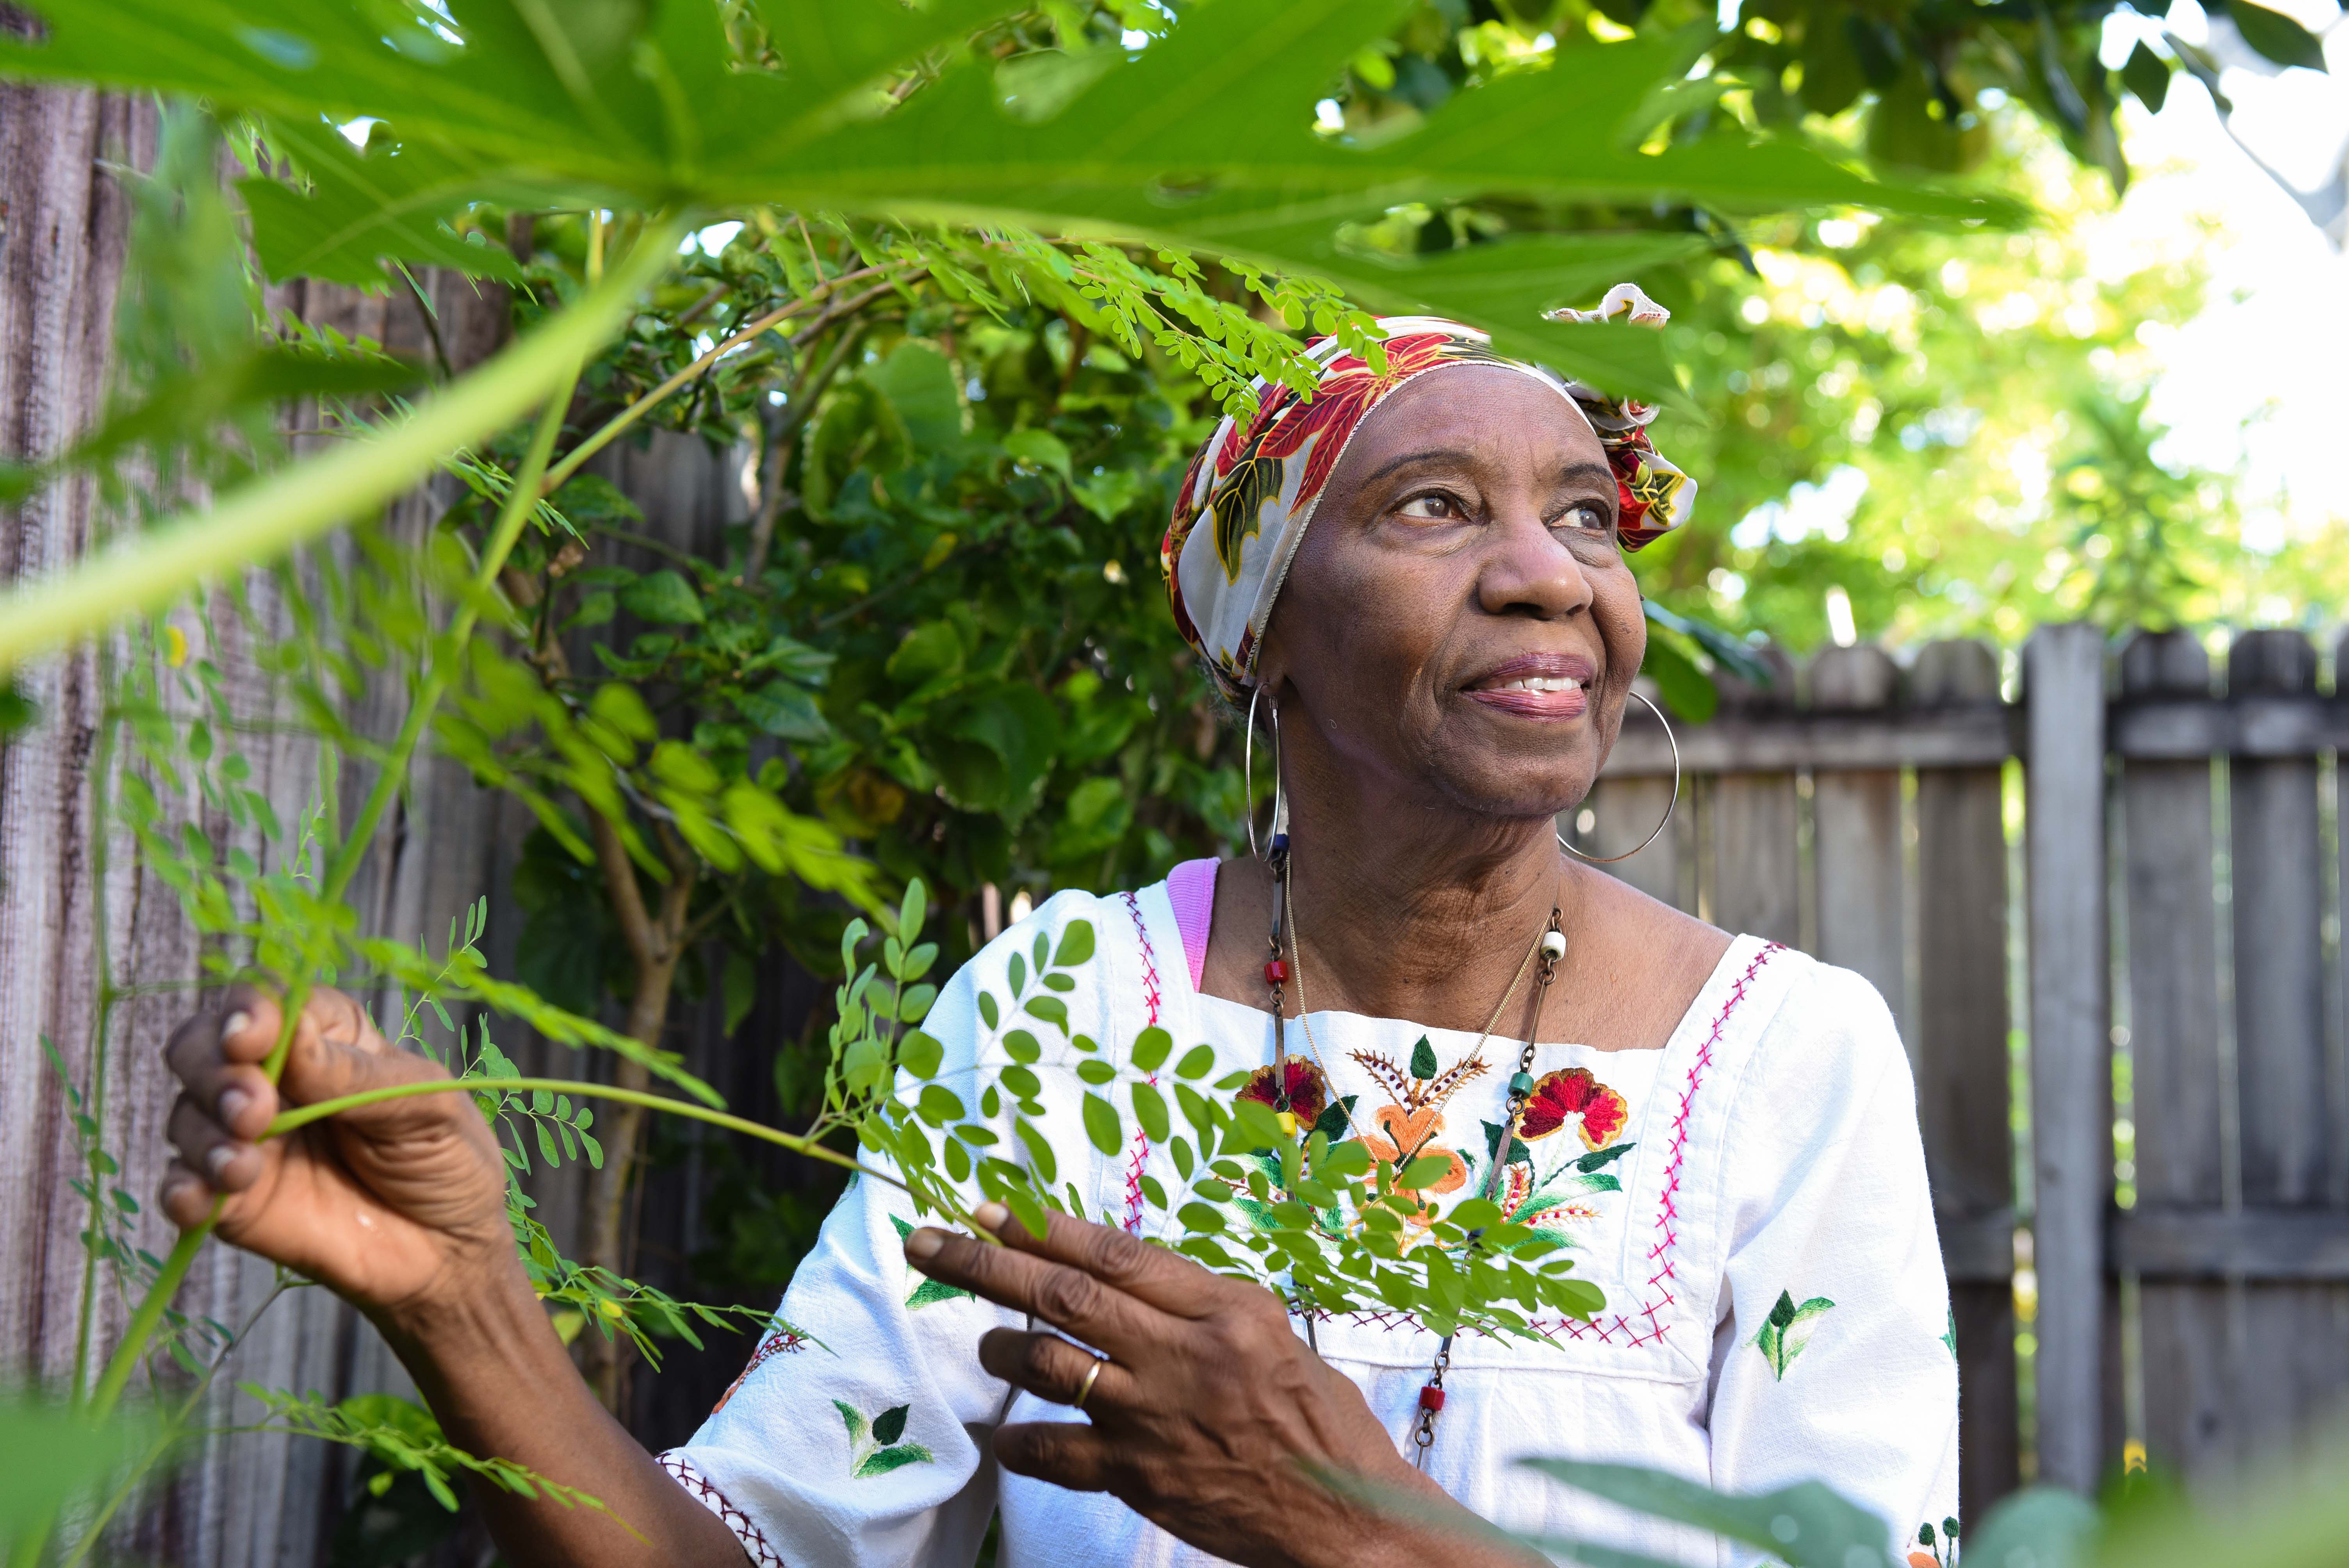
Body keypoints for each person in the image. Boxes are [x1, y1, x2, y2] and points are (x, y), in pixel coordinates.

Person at [160, 296, 1957, 1568]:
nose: (1550, 569)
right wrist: (460, 1292)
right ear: (1263, 628)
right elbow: (747, 1553)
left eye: (1582, 515)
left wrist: (1349, 1523)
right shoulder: (1072, 1015)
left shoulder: (1789, 1064)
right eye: (1432, 506)